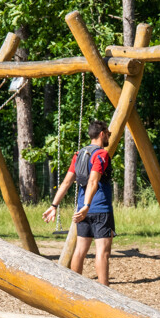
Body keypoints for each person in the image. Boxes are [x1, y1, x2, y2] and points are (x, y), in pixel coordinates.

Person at [43, 120, 114, 286]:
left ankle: (77, 289)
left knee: (80, 250)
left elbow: (66, 183)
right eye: (108, 134)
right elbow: (93, 182)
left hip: (82, 211)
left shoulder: (79, 154)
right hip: (99, 208)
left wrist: (54, 205)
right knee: (102, 252)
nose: (109, 137)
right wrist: (87, 206)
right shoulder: (100, 154)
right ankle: (106, 294)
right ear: (102, 134)